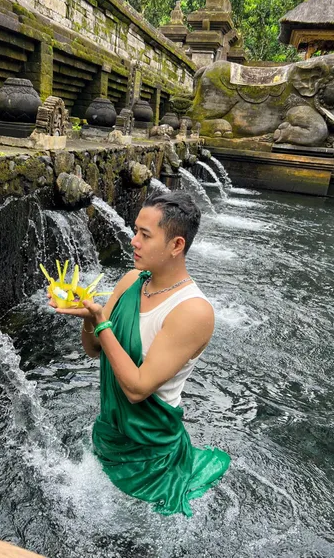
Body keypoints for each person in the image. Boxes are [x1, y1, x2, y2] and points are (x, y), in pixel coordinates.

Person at [50, 191, 230, 516]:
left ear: (176, 245)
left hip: (151, 451)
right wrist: (91, 320)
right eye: (136, 231)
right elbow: (93, 350)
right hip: (110, 433)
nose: (133, 241)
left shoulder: (192, 311)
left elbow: (136, 388)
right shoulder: (132, 280)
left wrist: (103, 322)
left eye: (145, 235)